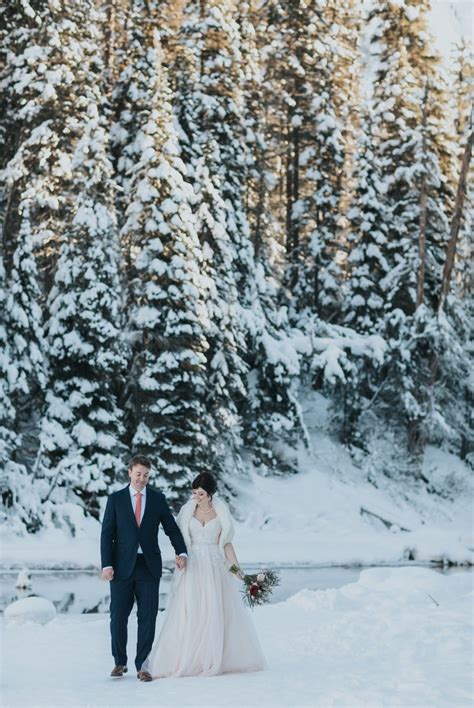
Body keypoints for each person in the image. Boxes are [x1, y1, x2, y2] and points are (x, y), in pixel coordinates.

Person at [143, 472, 266, 678]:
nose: (196, 497)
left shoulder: (221, 514)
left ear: (210, 494)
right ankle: (185, 658)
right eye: (194, 493)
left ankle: (212, 657)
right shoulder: (187, 511)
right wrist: (179, 556)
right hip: (192, 567)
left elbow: (226, 545)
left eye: (200, 494)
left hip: (213, 567)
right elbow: (179, 540)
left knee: (213, 611)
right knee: (190, 611)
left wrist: (238, 572)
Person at [100, 455, 187, 681]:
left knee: (147, 617)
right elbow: (107, 534)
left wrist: (181, 551)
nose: (142, 479)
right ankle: (119, 662)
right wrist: (107, 564)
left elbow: (171, 528)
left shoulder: (157, 499)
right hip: (120, 568)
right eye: (138, 474)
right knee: (118, 617)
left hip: (149, 567)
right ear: (129, 472)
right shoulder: (116, 499)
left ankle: (143, 665)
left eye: (146, 475)